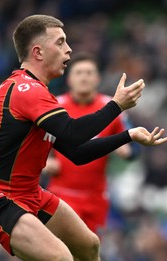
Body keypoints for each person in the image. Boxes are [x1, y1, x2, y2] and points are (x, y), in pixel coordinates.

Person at [0, 14, 167, 261]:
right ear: (38, 52)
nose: (69, 49)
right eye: (61, 42)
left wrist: (128, 134)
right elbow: (74, 134)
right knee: (60, 258)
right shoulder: (25, 91)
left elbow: (77, 153)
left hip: (30, 194)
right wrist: (117, 105)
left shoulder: (40, 94)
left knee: (88, 245)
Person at [44, 52, 140, 234]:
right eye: (79, 73)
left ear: (98, 78)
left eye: (89, 73)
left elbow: (135, 144)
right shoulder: (55, 107)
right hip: (61, 194)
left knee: (90, 251)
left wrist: (128, 152)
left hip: (96, 197)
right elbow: (33, 143)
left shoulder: (113, 107)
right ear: (69, 79)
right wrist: (45, 161)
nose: (84, 77)